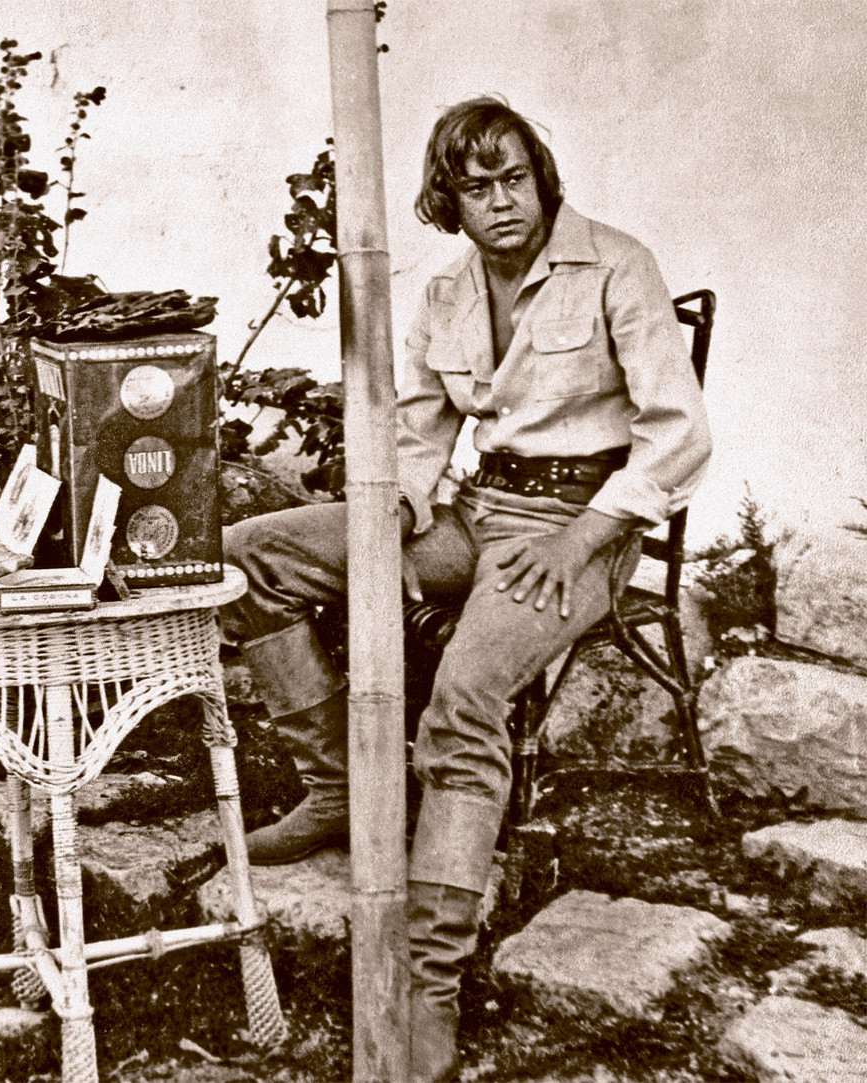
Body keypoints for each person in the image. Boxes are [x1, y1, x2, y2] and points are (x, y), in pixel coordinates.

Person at [221, 97, 711, 1082]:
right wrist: (396, 516)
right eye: (476, 186)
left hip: (579, 526)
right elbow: (416, 434)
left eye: (514, 178)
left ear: (543, 180)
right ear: (449, 201)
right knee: (249, 558)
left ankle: (429, 979)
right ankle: (337, 788)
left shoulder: (617, 265)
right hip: (473, 514)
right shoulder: (447, 291)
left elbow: (678, 435)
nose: (500, 202)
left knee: (466, 698)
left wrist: (582, 538)